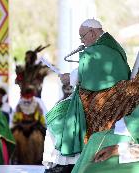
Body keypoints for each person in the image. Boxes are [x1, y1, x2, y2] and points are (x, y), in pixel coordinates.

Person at [43, 18, 133, 173]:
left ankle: (63, 165)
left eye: (83, 37)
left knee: (58, 118)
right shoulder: (108, 46)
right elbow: (92, 73)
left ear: (92, 32)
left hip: (103, 102)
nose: (82, 41)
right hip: (108, 98)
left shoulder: (100, 50)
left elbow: (88, 74)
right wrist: (71, 77)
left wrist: (69, 78)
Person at [11, 85, 46, 164]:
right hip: (21, 126)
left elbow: (39, 119)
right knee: (15, 137)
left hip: (35, 126)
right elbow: (15, 119)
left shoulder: (37, 105)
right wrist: (22, 125)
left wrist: (30, 125)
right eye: (25, 94)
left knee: (36, 138)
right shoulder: (19, 106)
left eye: (29, 94)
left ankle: (36, 161)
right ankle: (18, 160)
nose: (27, 97)